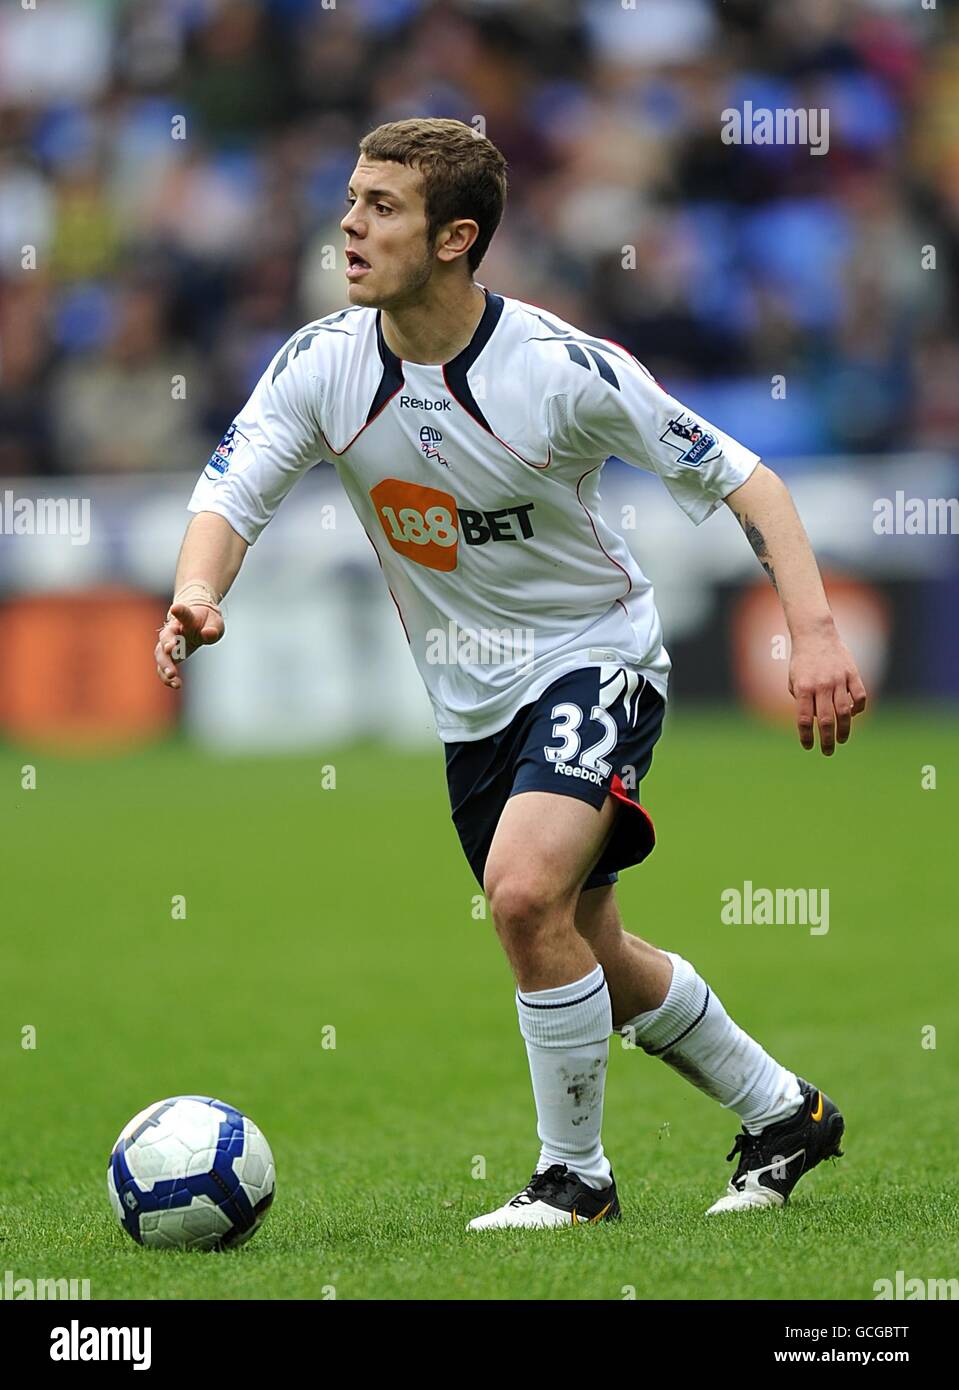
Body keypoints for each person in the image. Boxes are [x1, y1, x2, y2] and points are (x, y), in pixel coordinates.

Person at [154, 118, 866, 1229]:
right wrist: (200, 592)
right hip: (471, 703)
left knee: (522, 895)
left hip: (596, 658)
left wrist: (813, 633)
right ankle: (783, 1111)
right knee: (584, 944)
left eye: (380, 206)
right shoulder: (322, 363)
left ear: (455, 238)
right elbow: (229, 496)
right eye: (350, 198)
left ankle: (573, 1179)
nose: (347, 223)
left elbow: (749, 482)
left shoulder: (557, 371)